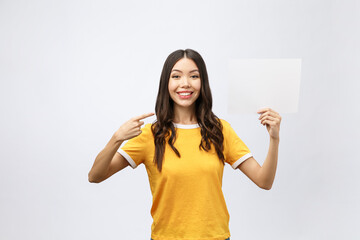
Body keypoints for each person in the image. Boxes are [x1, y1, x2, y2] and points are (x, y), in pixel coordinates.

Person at [88, 49, 281, 240]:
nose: (185, 83)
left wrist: (274, 138)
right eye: (176, 76)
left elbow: (264, 181)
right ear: (166, 83)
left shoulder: (220, 130)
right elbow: (95, 176)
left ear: (202, 82)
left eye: (194, 76)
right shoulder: (150, 135)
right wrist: (117, 138)